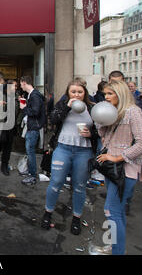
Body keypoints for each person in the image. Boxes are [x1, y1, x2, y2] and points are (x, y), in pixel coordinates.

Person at [93, 80, 142, 255]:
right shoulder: (113, 112)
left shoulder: (134, 112)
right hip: (112, 170)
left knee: (111, 211)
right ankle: (116, 248)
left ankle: (117, 251)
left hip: (125, 170)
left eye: (110, 94)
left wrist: (118, 157)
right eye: (105, 94)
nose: (106, 97)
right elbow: (104, 137)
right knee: (116, 212)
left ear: (121, 93)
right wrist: (100, 121)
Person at [41, 79, 98, 235]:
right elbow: (53, 120)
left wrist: (91, 133)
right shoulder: (63, 105)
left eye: (80, 92)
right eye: (73, 92)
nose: (77, 95)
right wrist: (67, 106)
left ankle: (76, 218)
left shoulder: (92, 108)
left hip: (84, 151)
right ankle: (48, 213)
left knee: (79, 186)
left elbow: (101, 131)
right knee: (56, 182)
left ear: (85, 93)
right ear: (68, 93)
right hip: (63, 149)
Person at [19, 75, 46, 186]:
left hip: (34, 127)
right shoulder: (33, 95)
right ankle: (31, 174)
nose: (21, 86)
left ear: (24, 83)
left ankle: (32, 175)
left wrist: (23, 108)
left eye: (21, 84)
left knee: (30, 151)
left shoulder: (34, 96)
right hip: (33, 126)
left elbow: (35, 112)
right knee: (30, 151)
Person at [0, 79, 19, 176]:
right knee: (1, 140)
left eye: (16, 86)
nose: (16, 88)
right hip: (1, 122)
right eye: (14, 86)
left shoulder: (17, 96)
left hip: (11, 124)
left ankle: (4, 165)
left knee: (8, 146)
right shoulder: (0, 95)